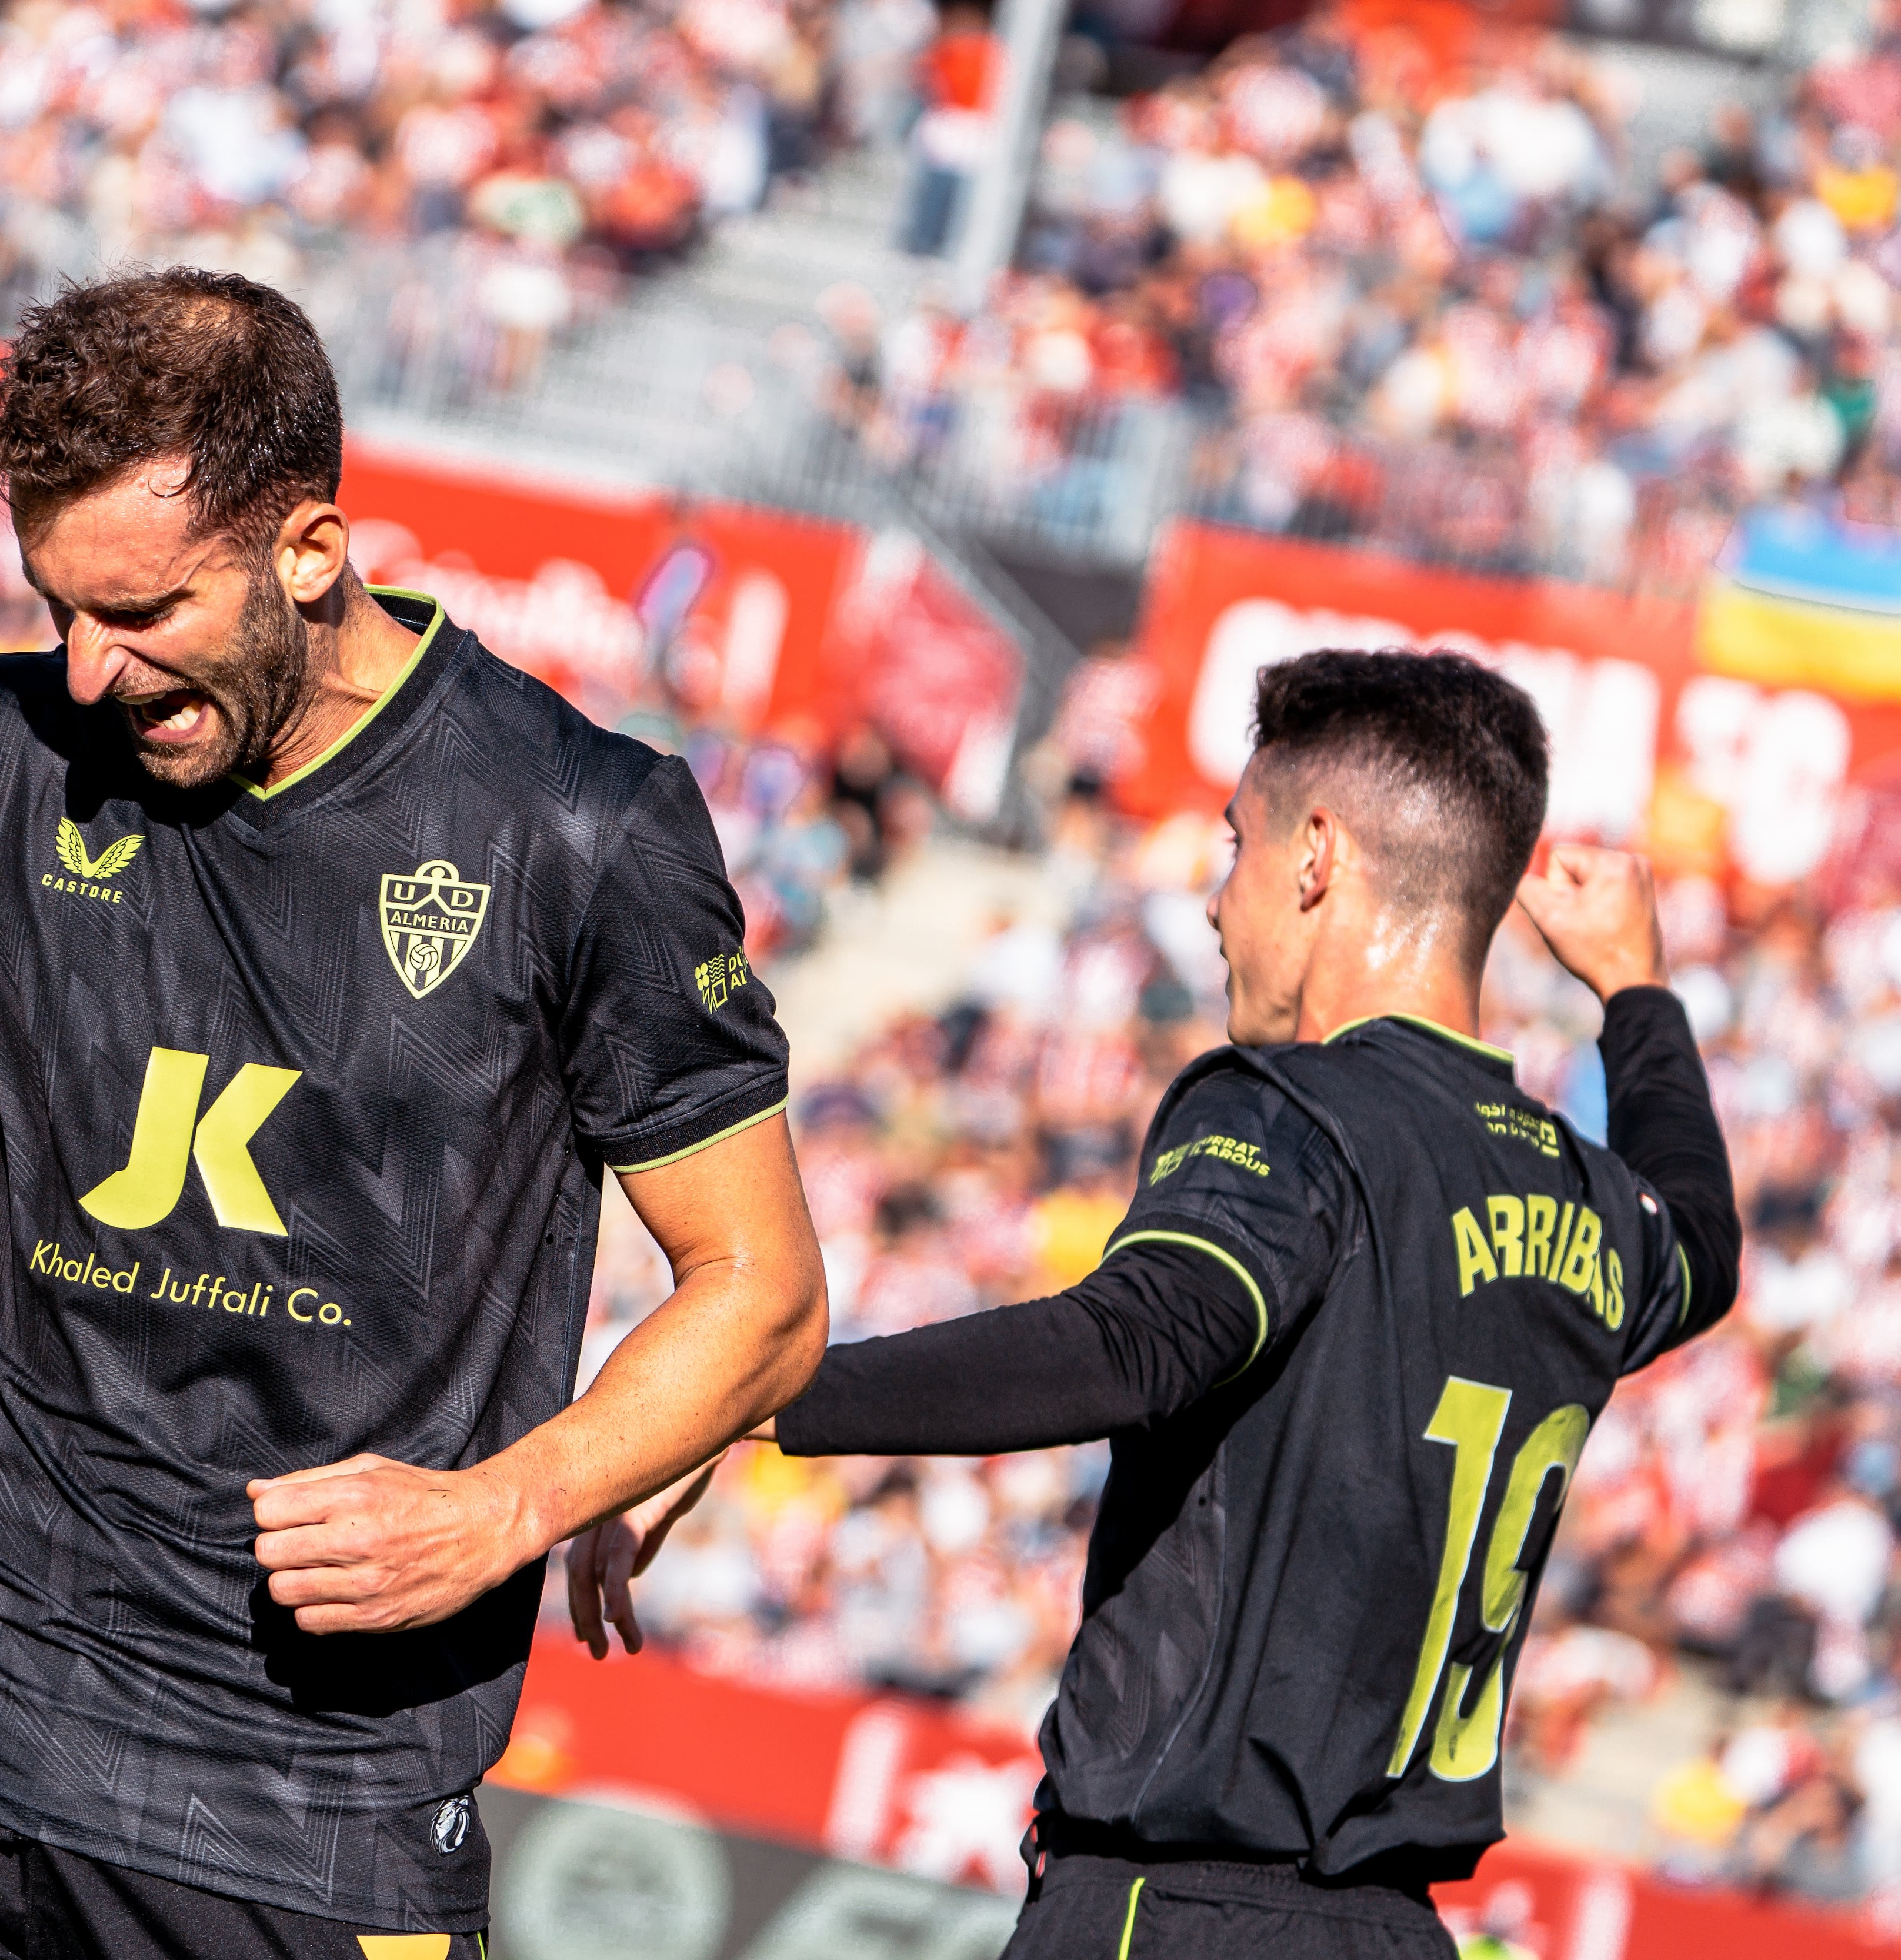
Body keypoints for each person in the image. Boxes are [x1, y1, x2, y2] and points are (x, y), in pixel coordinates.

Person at [0, 267, 827, 1959]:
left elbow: (762, 1285)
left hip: (310, 1806)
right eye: (57, 605)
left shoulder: (580, 828)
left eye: (144, 610)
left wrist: (504, 1504)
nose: (90, 668)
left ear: (315, 551)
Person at [585, 651, 1742, 1958]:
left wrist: (744, 1394)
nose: (1212, 899)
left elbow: (1134, 1338)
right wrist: (1637, 994)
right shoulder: (1587, 1201)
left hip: (1175, 1910)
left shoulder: (1290, 1107)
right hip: (1393, 1933)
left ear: (1315, 856)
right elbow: (1698, 1240)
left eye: (1234, 843)